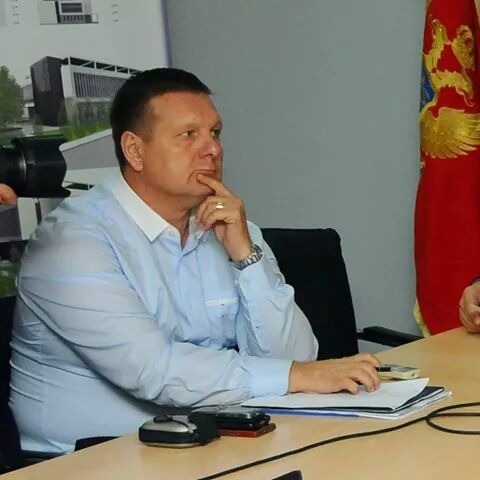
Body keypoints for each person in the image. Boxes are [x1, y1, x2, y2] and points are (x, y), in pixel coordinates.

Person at [10, 68, 380, 454]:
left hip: (213, 443)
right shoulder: (70, 242)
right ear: (135, 150)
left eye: (215, 133)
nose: (212, 150)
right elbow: (154, 371)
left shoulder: (229, 226)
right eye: (189, 135)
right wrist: (296, 375)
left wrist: (246, 257)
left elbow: (297, 360)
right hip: (88, 460)